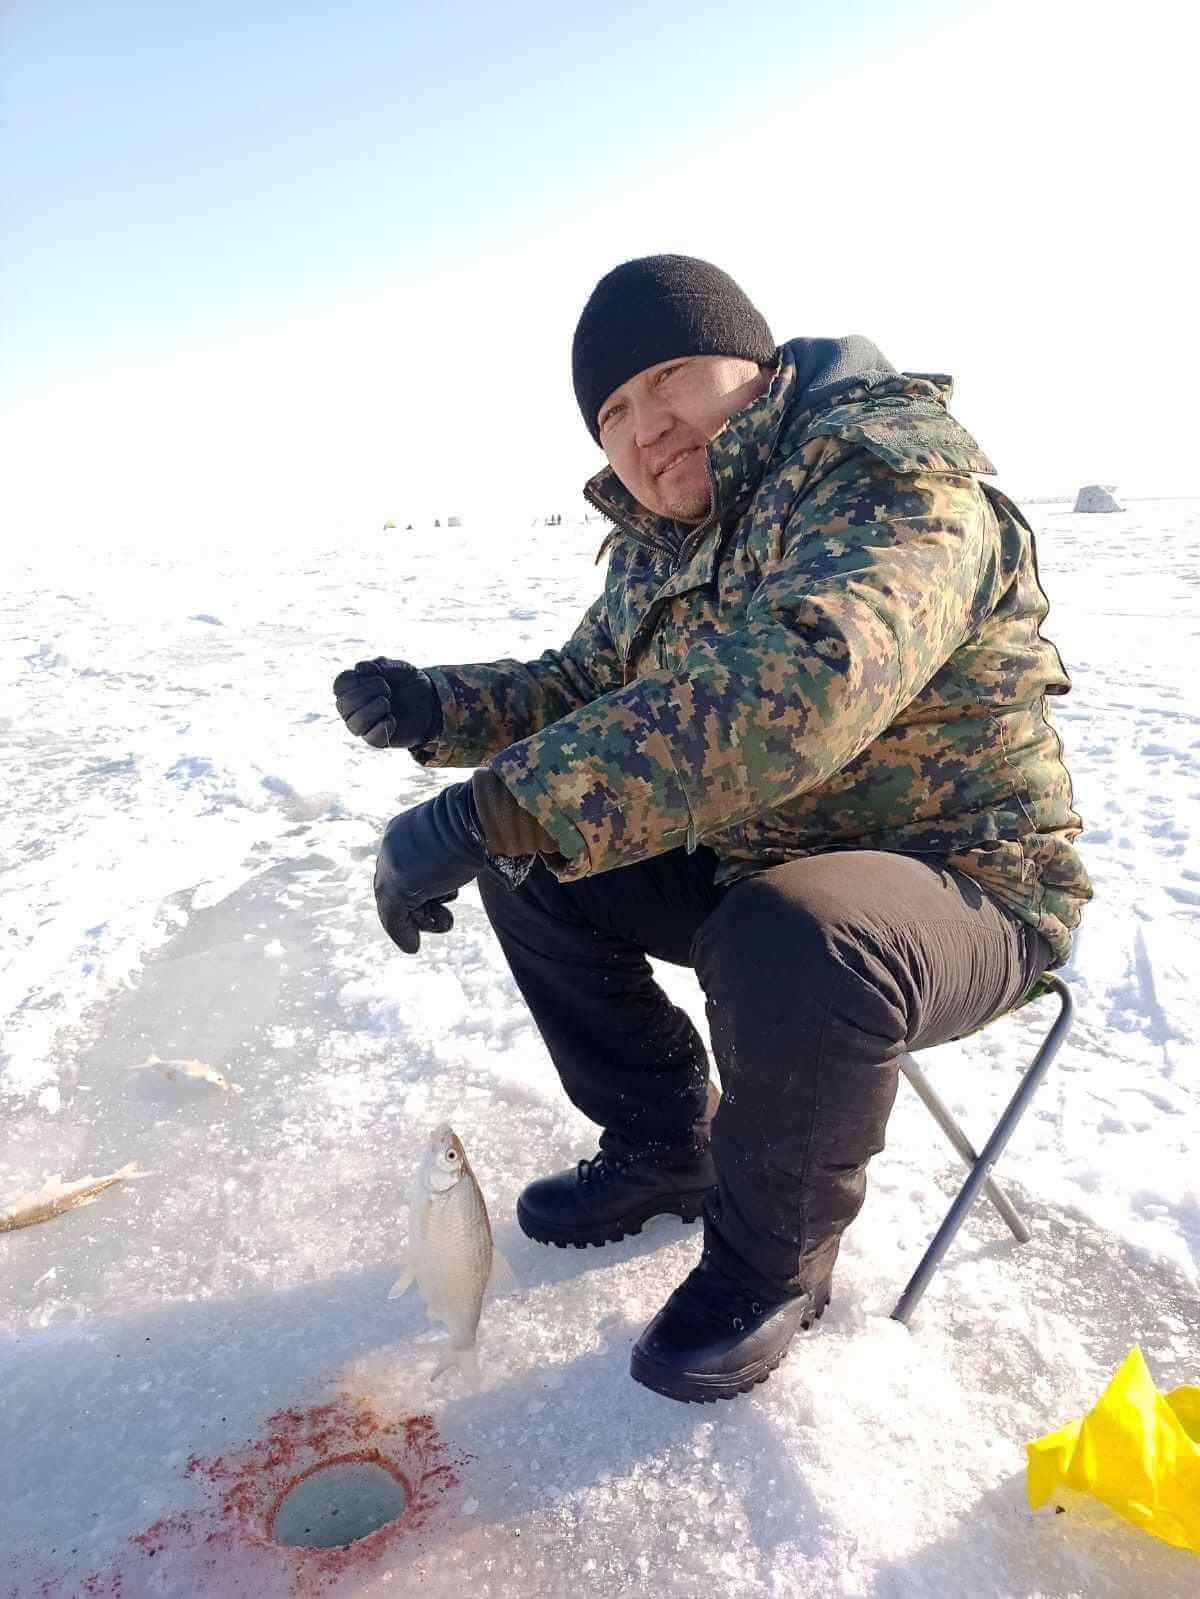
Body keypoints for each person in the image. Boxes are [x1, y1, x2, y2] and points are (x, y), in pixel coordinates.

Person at [333, 255, 1091, 1404]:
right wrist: (440, 708)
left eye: (672, 376)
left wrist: (485, 806)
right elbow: (585, 684)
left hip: (967, 886)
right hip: (764, 856)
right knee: (537, 868)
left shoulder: (887, 479)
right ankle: (663, 1144)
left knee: (790, 934)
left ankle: (769, 1266)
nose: (646, 426)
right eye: (613, 412)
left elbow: (806, 684)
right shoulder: (664, 538)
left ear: (755, 365)